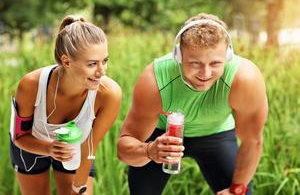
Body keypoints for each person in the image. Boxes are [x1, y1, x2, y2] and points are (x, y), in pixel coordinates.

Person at [117, 13, 268, 195]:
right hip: (162, 136)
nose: (205, 73)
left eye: (215, 63)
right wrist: (149, 150)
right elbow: (124, 149)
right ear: (178, 55)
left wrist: (237, 189)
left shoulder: (245, 79)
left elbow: (253, 141)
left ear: (228, 55)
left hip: (216, 133)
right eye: (195, 63)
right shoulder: (155, 80)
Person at [9, 15, 122, 195]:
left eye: (105, 61)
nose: (101, 71)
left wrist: (78, 188)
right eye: (92, 64)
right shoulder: (31, 85)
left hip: (76, 150)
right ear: (67, 61)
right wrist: (48, 148)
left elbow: (90, 148)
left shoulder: (109, 94)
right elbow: (19, 137)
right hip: (31, 143)